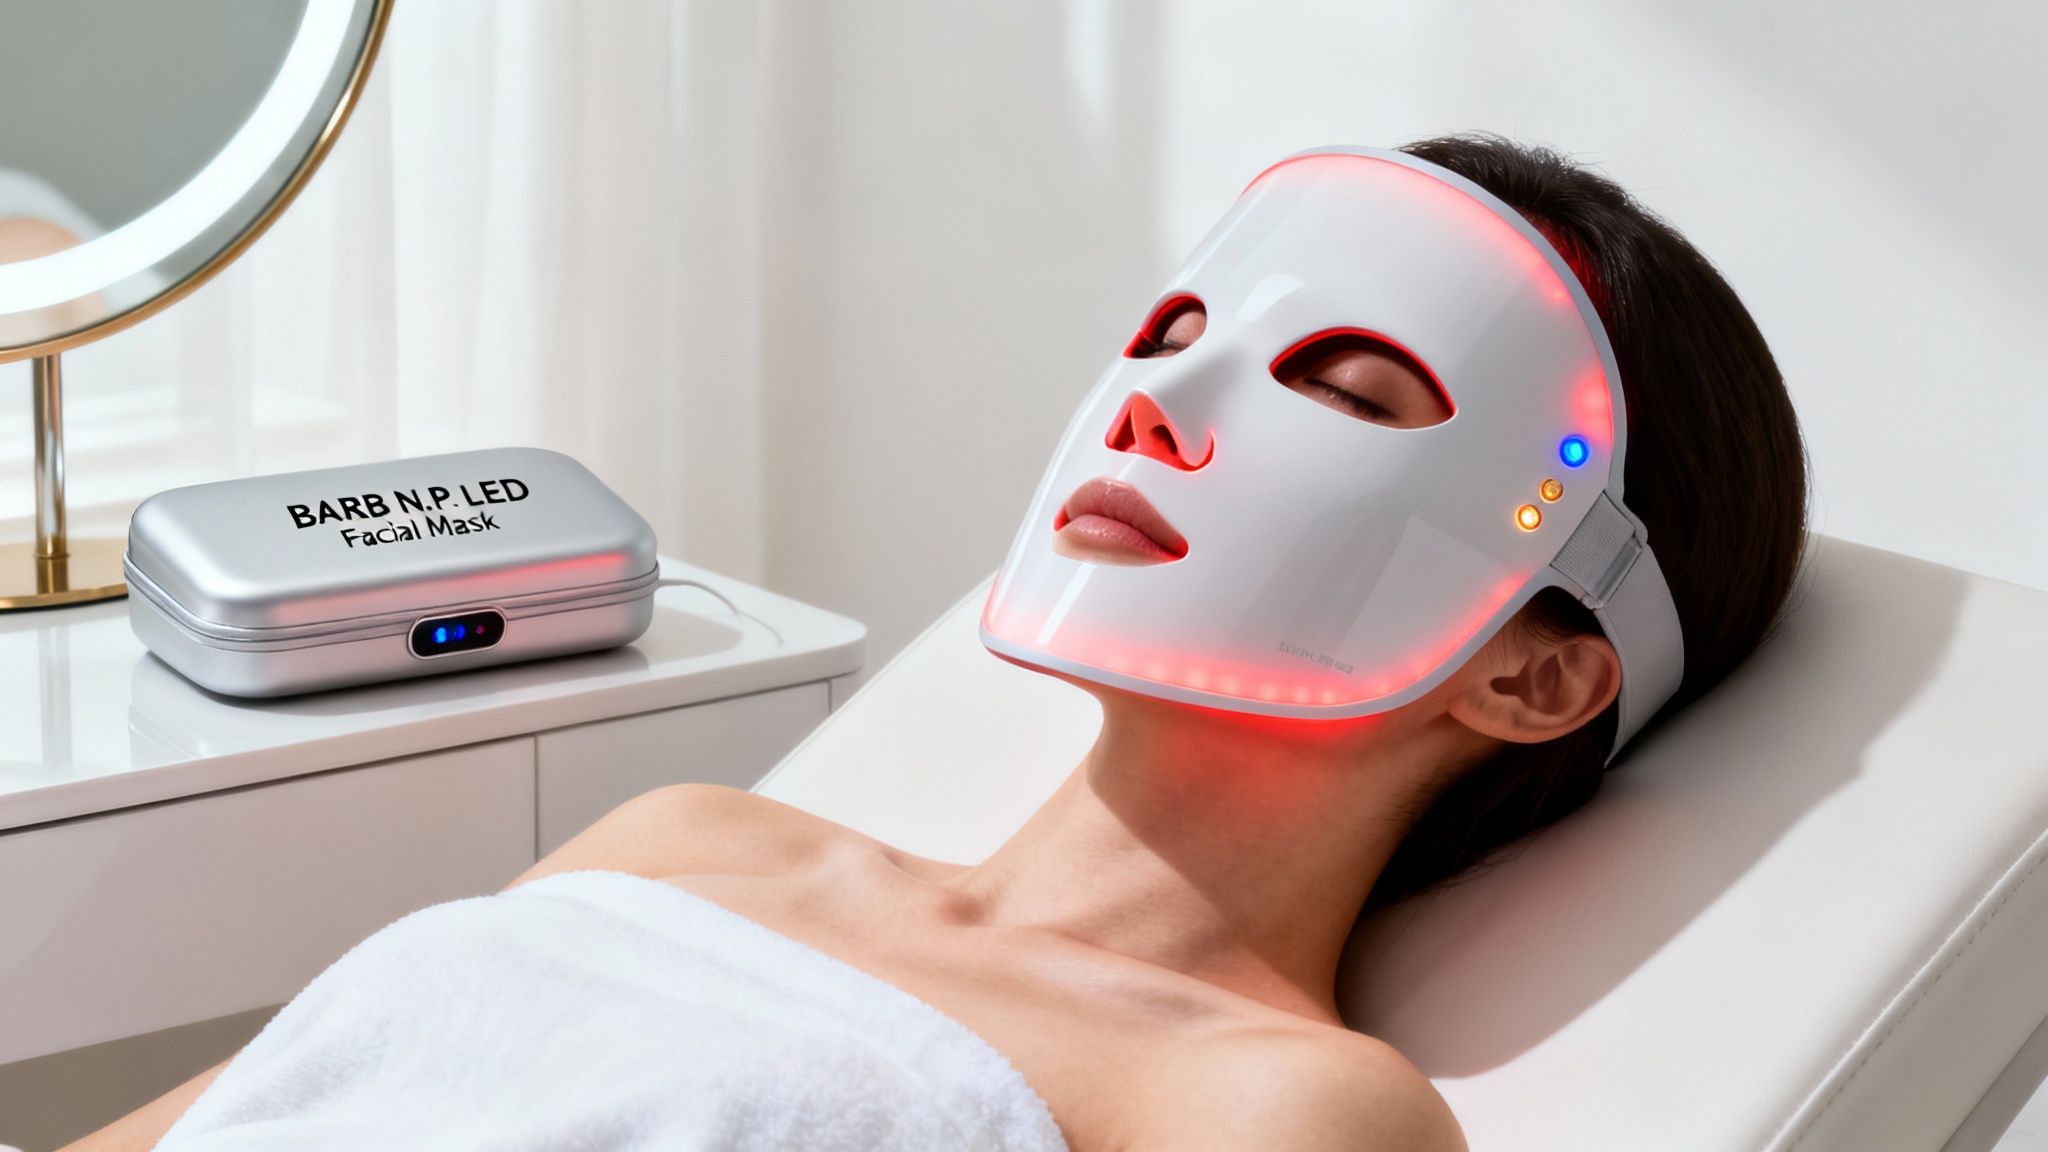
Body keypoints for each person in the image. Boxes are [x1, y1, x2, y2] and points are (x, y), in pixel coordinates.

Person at [69, 134, 1806, 1152]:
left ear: (1535, 672)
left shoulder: (1276, 1104)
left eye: (1342, 388)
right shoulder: (698, 836)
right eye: (1171, 333)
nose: (1157, 404)